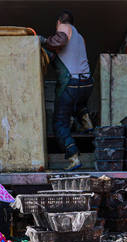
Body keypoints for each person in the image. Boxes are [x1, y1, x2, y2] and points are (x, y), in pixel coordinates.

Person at [41, 10, 93, 171]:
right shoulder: (80, 38)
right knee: (77, 104)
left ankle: (73, 157)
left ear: (59, 22)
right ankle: (86, 122)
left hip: (71, 83)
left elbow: (58, 41)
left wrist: (41, 40)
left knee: (60, 123)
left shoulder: (64, 28)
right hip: (87, 83)